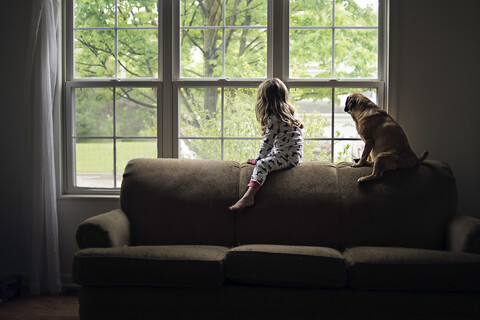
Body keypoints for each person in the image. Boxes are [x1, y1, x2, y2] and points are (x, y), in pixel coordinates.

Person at [229, 78, 304, 211]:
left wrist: (258, 159)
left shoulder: (273, 118)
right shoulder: (288, 115)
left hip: (288, 156)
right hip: (294, 155)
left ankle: (248, 197)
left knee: (262, 165)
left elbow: (268, 143)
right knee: (267, 158)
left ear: (264, 100)